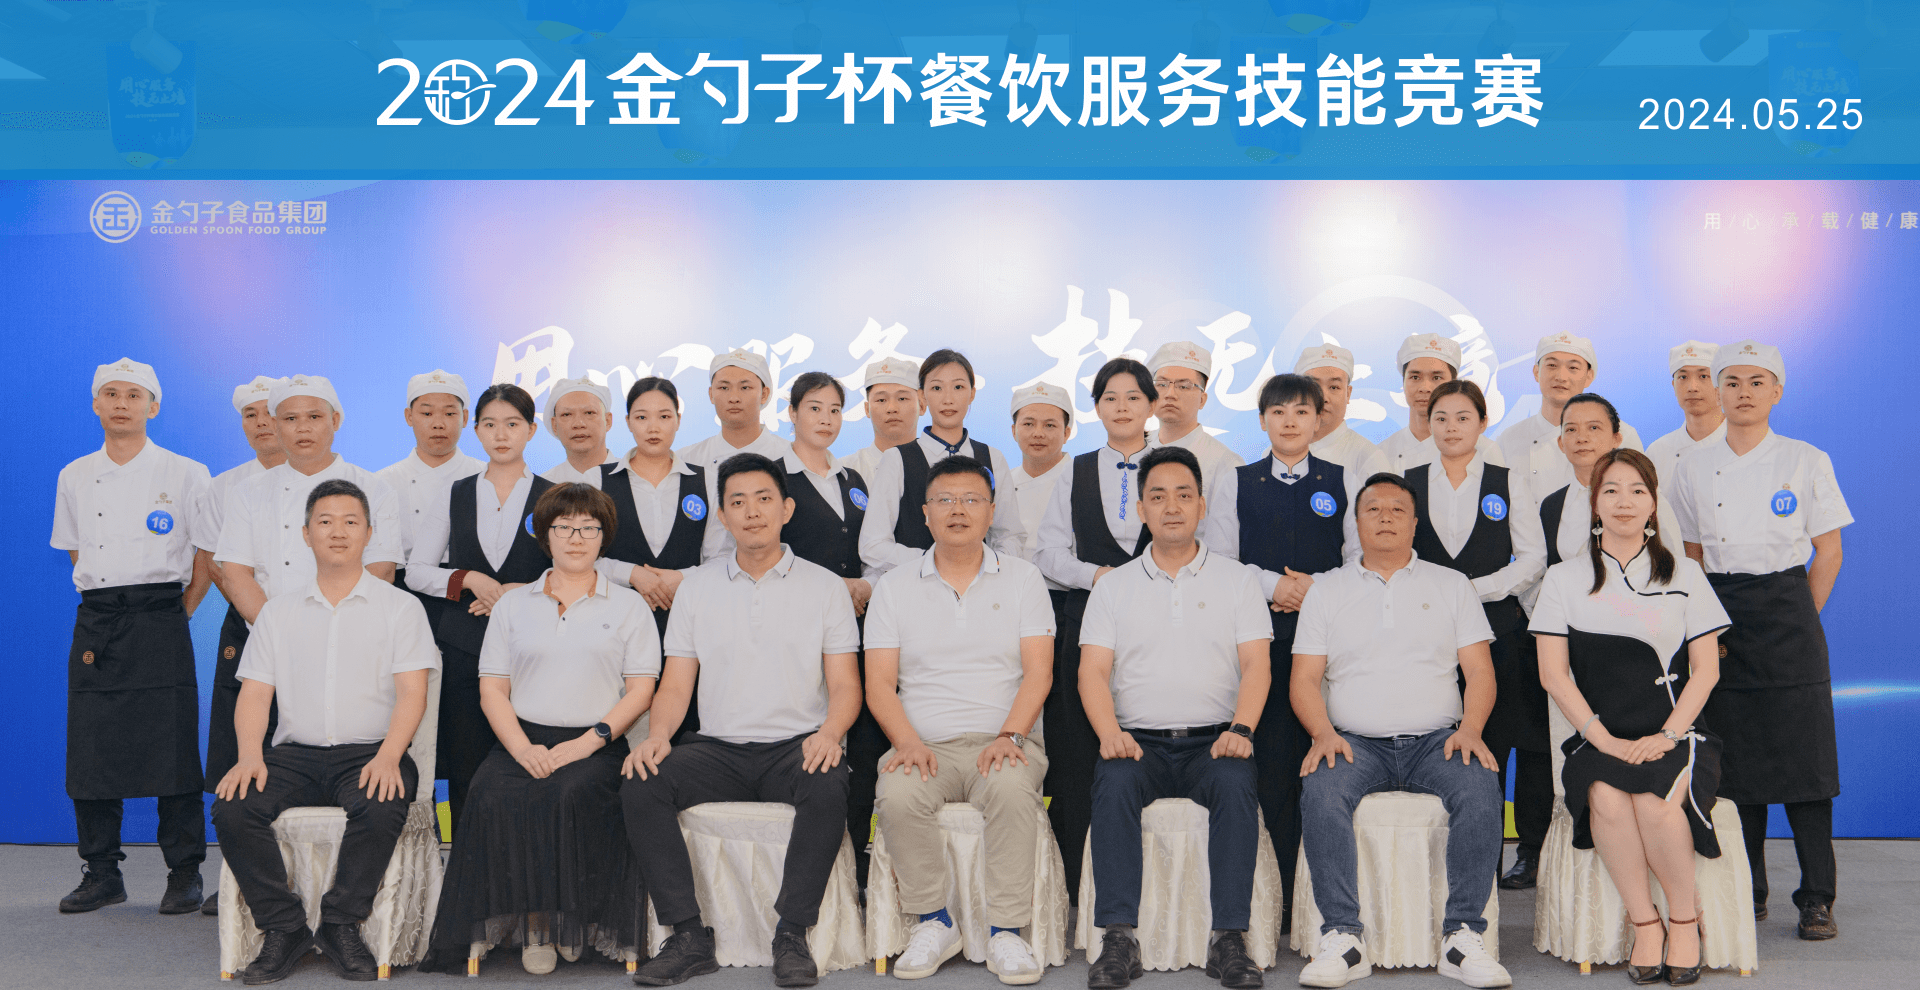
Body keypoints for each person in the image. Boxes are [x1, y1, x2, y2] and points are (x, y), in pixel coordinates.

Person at [623, 453, 864, 989]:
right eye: (737, 501)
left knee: (828, 782)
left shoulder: (825, 586)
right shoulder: (697, 588)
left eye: (763, 499)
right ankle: (688, 935)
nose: (752, 511)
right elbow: (676, 684)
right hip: (717, 749)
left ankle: (792, 933)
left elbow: (847, 685)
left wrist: (830, 734)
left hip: (796, 746)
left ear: (787, 508)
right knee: (643, 780)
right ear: (722, 515)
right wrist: (657, 737)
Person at [423, 483, 660, 975]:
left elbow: (641, 691)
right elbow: (493, 690)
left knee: (569, 792)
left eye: (589, 528)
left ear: (604, 537)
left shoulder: (628, 605)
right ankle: (536, 925)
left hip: (598, 741)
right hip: (521, 739)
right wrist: (521, 749)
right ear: (545, 536)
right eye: (564, 527)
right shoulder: (513, 605)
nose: (576, 538)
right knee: (490, 792)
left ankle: (573, 920)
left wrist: (587, 743)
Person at [212, 479, 439, 985]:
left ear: (369, 534)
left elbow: (413, 694)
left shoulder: (401, 608)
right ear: (306, 534)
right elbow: (255, 695)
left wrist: (389, 756)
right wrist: (249, 755)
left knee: (381, 804)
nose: (338, 532)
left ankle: (340, 925)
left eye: (351, 522)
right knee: (233, 807)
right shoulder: (278, 611)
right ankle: (284, 927)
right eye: (326, 522)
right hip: (295, 755)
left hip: (371, 752)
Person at [1290, 473, 1510, 990]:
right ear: (1356, 522)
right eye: (1373, 509)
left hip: (1437, 741)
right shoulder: (1327, 590)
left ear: (1414, 523)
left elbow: (1480, 671)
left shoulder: (1451, 585)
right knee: (1321, 792)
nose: (1385, 517)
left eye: (1397, 510)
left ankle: (1462, 936)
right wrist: (1323, 733)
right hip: (1353, 743)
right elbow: (1303, 678)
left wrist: (1471, 729)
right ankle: (1343, 938)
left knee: (1480, 789)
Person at [1671, 340, 1850, 941]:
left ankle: (1817, 896)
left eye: (1756, 382)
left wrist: (1800, 614)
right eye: (1732, 382)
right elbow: (1691, 555)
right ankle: (1748, 891)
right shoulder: (1693, 465)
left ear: (1777, 391)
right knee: (1736, 766)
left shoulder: (1806, 459)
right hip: (1722, 612)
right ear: (1717, 391)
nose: (1743, 393)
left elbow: (1828, 551)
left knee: (1808, 765)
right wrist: (1707, 627)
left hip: (1788, 610)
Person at [1532, 449, 1728, 987]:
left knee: (1653, 801)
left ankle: (1683, 922)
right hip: (1599, 736)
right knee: (1606, 796)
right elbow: (1554, 676)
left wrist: (1667, 736)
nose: (1625, 501)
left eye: (1638, 490)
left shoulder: (1685, 573)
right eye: (1611, 490)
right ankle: (1646, 924)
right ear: (1594, 503)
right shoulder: (1563, 579)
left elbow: (1707, 671)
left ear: (1653, 503)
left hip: (1678, 732)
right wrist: (1605, 741)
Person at [1078, 446, 1272, 990]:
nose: (1171, 507)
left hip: (1215, 742)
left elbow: (1257, 665)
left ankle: (1228, 940)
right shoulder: (1113, 586)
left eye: (1184, 495)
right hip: (1137, 743)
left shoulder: (1237, 580)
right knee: (1113, 784)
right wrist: (1109, 733)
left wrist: (1241, 729)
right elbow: (1092, 671)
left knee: (1235, 785)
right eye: (1158, 496)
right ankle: (1119, 939)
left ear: (1202, 506)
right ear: (1141, 509)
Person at [865, 455, 1056, 985]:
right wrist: (906, 742)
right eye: (944, 500)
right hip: (923, 743)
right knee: (897, 793)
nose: (958, 510)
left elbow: (1039, 672)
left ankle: (1006, 931)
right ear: (924, 513)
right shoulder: (895, 585)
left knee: (1011, 788)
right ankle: (934, 921)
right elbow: (878, 683)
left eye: (971, 499)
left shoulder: (1023, 579)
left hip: (1005, 739)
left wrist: (1011, 735)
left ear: (991, 511)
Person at [51, 358, 213, 916]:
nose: (122, 404)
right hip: (98, 618)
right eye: (112, 394)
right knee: (91, 749)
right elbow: (77, 551)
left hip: (161, 615)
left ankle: (185, 873)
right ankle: (101, 873)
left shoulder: (186, 472)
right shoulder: (74, 475)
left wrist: (175, 613)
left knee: (174, 749)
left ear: (153, 406)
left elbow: (206, 555)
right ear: (97, 404)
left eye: (134, 395)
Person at [1198, 373, 1362, 918]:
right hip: (1258, 638)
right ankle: (1275, 898)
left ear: (1319, 419)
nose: (1290, 422)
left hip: (1326, 638)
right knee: (1269, 762)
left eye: (1301, 412)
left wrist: (1315, 589)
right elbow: (1221, 557)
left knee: (1319, 761)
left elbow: (1358, 557)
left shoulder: (1344, 477)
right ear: (1263, 420)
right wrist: (1275, 586)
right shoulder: (1236, 480)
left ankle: (1320, 899)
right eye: (1278, 412)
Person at [1405, 380, 1551, 892]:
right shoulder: (1407, 482)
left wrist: (1474, 590)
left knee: (1500, 744)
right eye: (1440, 418)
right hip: (1426, 635)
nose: (1451, 428)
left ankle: (1505, 862)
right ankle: (1441, 868)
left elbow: (1532, 558)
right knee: (1438, 746)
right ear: (1428, 423)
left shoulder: (1508, 482)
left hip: (1499, 632)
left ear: (1483, 423)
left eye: (1463, 417)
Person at [1034, 357, 1159, 900]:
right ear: (1097, 408)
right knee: (1078, 755)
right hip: (1086, 623)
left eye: (1133, 397)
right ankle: (1077, 888)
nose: (1122, 407)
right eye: (1110, 398)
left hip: (1162, 625)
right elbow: (1048, 553)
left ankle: (1150, 889)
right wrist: (1097, 576)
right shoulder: (1075, 469)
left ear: (1152, 405)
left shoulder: (1175, 466)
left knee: (1151, 741)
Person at [404, 384, 554, 826]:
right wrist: (469, 579)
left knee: (532, 752)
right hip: (464, 644)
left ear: (531, 430)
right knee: (464, 755)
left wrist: (522, 590)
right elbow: (416, 571)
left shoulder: (555, 495)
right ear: (476, 429)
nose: (500, 435)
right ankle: (463, 849)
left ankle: (528, 849)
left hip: (536, 644)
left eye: (512, 424)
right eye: (489, 424)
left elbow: (578, 567)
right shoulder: (455, 493)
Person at [781, 370, 887, 889]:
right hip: (796, 628)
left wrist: (866, 584)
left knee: (862, 746)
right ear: (792, 413)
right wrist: (834, 585)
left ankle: (858, 867)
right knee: (813, 740)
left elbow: (872, 552)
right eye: (814, 408)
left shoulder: (854, 481)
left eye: (834, 410)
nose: (825, 419)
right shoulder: (775, 479)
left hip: (857, 627)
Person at [196, 375, 287, 916]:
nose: (261, 423)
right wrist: (261, 617)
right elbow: (215, 563)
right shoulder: (225, 486)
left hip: (318, 628)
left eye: (269, 412)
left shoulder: (324, 480)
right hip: (246, 624)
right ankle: (235, 874)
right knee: (240, 745)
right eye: (250, 415)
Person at [214, 374, 405, 621]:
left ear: (335, 420)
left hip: (351, 628)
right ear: (275, 425)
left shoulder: (375, 488)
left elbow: (381, 570)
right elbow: (235, 574)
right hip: (271, 630)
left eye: (314, 417)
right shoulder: (248, 491)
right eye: (290, 419)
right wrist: (273, 631)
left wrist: (334, 629)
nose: (303, 428)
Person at [861, 348, 1023, 575]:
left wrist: (985, 566)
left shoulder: (992, 458)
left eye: (958, 387)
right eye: (937, 388)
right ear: (922, 397)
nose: (948, 399)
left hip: (982, 588)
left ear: (972, 394)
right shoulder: (896, 459)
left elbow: (1010, 535)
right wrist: (938, 562)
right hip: (916, 586)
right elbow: (872, 545)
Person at [1532, 395, 1684, 593]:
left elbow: (1675, 565)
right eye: (1571, 429)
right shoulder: (1551, 506)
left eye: (1594, 427)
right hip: (1572, 610)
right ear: (1561, 443)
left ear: (1616, 439)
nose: (1582, 438)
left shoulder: (1643, 496)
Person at [377, 370, 484, 624]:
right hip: (403, 596)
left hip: (472, 597)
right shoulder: (382, 482)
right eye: (426, 414)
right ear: (409, 417)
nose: (438, 424)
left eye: (449, 413)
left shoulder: (485, 476)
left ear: (465, 418)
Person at [1497, 332, 1644, 495]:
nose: (1561, 377)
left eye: (1573, 368)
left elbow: (1643, 499)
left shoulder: (1621, 435)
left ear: (1589, 376)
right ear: (1536, 372)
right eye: (1552, 365)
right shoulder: (1509, 439)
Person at [1376, 334, 1505, 474]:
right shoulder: (1382, 453)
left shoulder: (1484, 450)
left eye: (1436, 377)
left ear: (1453, 382)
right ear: (1404, 382)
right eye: (1415, 377)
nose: (1425, 388)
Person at [1146, 341, 1245, 496]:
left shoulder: (1225, 463)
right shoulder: (1134, 449)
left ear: (1202, 400)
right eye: (1162, 384)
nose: (1170, 394)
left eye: (1184, 386)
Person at [676, 349, 794, 477]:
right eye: (724, 388)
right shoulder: (686, 461)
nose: (734, 398)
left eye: (745, 387)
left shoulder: (792, 457)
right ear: (711, 394)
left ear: (764, 394)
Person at [1296, 344, 1389, 479]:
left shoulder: (1369, 459)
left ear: (1348, 394)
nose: (1323, 397)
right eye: (1314, 386)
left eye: (1334, 387)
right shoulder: (1276, 453)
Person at [1007, 382, 1074, 563]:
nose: (1038, 433)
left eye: (1049, 425)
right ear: (1014, 431)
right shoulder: (1003, 483)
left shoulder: (1082, 480)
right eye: (1028, 424)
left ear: (1066, 433)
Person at [1645, 342, 1725, 472]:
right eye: (1683, 377)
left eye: (1703, 376)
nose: (1692, 387)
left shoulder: (1746, 445)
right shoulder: (1657, 452)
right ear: (1673, 386)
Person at [846, 358, 925, 486]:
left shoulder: (942, 467)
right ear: (867, 409)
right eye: (881, 400)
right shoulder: (845, 472)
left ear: (922, 406)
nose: (892, 408)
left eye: (902, 398)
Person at [539, 378, 618, 486]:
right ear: (554, 425)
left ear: (608, 421)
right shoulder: (543, 487)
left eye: (589, 413)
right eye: (567, 414)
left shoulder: (635, 478)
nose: (578, 424)